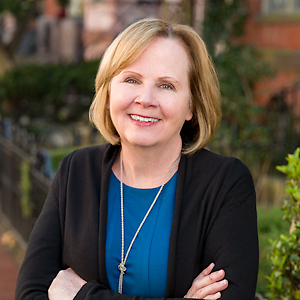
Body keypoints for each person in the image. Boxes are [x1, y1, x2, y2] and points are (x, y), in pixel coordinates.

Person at [15, 18, 259, 300]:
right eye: (131, 80)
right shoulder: (76, 171)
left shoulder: (225, 184)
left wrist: (82, 295)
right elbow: (29, 293)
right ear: (108, 94)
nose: (145, 99)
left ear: (191, 105)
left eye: (166, 86)